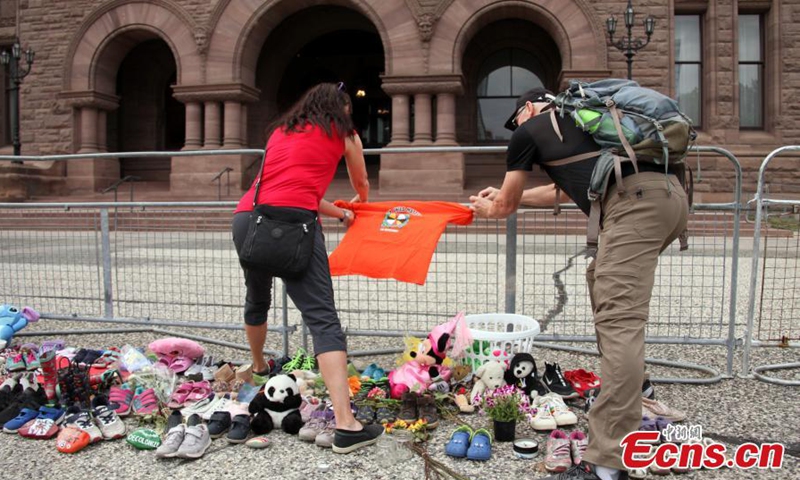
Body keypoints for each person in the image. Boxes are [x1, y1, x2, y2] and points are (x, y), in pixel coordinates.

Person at [470, 88, 688, 480]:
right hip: (667, 198)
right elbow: (562, 188)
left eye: (515, 118)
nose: (516, 127)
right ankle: (639, 392)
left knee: (620, 321)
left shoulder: (530, 130)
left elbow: (503, 207)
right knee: (604, 288)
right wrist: (506, 195)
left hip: (635, 204)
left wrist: (491, 205)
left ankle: (607, 462)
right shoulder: (585, 127)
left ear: (530, 108)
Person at [231, 82, 382, 453]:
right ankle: (347, 425)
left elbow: (297, 190)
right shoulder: (343, 132)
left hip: (249, 218)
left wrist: (339, 213)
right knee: (322, 318)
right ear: (340, 108)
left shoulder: (282, 132)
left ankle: (259, 367)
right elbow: (360, 181)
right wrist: (361, 205)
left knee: (257, 297)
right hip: (294, 226)